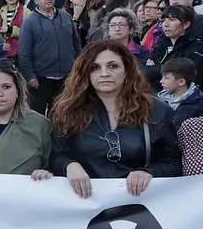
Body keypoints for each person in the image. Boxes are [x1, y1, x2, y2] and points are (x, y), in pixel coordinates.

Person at [49, 41, 181, 198]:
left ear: (127, 70)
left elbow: (174, 163)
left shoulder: (156, 110)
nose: (104, 73)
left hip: (138, 204)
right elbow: (57, 154)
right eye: (95, 67)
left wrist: (149, 172)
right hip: (84, 204)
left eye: (113, 66)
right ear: (86, 73)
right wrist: (69, 165)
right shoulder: (68, 110)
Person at [18, 0, 81, 115]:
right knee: (37, 116)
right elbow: (24, 52)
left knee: (61, 114)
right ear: (36, 0)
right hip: (41, 78)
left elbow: (76, 44)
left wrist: (77, 67)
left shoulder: (65, 16)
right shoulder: (29, 22)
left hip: (66, 76)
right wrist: (30, 75)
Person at [157, 57, 203, 127]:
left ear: (181, 82)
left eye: (166, 78)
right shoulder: (159, 99)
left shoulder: (201, 106)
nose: (161, 81)